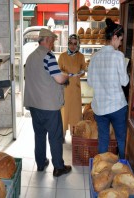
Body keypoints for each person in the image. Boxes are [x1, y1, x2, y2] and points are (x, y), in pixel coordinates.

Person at [24, 28, 72, 177]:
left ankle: (40, 163)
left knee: (39, 135)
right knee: (55, 136)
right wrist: (67, 76)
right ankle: (58, 167)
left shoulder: (30, 57)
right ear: (46, 40)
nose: (52, 44)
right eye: (52, 41)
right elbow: (58, 78)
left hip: (33, 104)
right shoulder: (48, 56)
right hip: (48, 106)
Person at [87, 19, 129, 159]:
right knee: (121, 139)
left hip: (100, 107)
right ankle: (122, 167)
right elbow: (124, 82)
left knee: (103, 139)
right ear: (114, 37)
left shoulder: (94, 57)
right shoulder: (118, 56)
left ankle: (101, 168)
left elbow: (91, 82)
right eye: (120, 39)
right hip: (117, 106)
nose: (121, 43)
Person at [58, 34, 86, 137]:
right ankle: (62, 134)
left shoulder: (81, 56)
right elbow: (58, 70)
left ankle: (75, 135)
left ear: (78, 44)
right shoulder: (62, 56)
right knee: (64, 112)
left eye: (75, 44)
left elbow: (83, 69)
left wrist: (80, 73)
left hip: (76, 89)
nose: (72, 46)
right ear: (68, 43)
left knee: (75, 113)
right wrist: (66, 73)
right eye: (70, 43)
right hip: (65, 89)